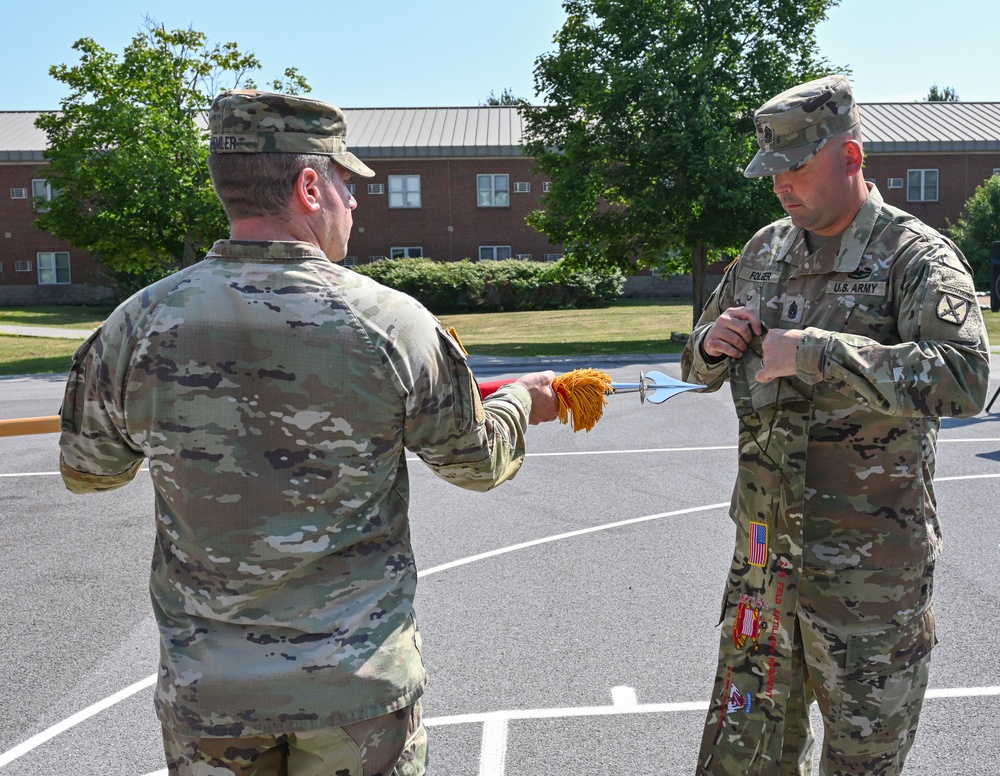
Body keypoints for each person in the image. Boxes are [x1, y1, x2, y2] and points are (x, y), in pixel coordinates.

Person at [57, 90, 559, 776]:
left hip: (212, 694)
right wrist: (525, 403)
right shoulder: (392, 323)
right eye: (348, 187)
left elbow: (91, 470)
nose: (355, 205)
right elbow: (478, 462)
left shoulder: (136, 325)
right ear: (309, 185)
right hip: (355, 692)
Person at [681, 74, 990, 775]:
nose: (780, 185)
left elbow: (966, 377)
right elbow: (695, 363)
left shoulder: (917, 258)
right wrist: (709, 345)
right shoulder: (764, 252)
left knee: (862, 764)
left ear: (851, 158)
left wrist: (820, 353)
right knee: (745, 758)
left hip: (868, 586)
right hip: (764, 568)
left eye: (795, 167)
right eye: (771, 172)